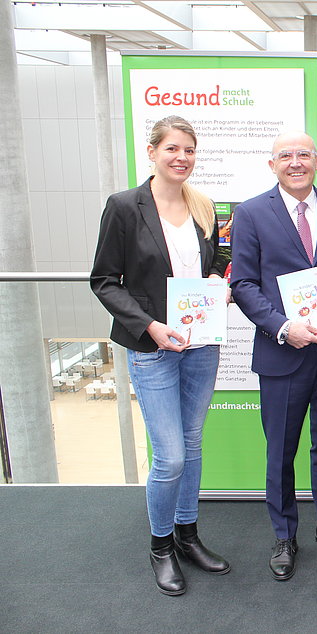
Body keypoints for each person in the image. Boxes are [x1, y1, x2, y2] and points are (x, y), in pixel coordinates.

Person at [90, 115, 230, 596]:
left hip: (200, 346)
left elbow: (215, 260)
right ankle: (161, 546)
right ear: (152, 152)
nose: (181, 158)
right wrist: (150, 325)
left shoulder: (203, 205)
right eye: (172, 148)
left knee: (191, 447)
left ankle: (189, 536)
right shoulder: (125, 207)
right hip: (153, 348)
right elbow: (105, 281)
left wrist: (218, 279)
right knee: (169, 456)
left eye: (189, 149)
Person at [230, 131, 317, 581]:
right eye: (285, 155)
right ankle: (284, 535)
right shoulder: (250, 213)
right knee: (281, 451)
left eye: (303, 154)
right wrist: (284, 327)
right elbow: (243, 284)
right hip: (283, 353)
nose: (295, 162)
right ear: (272, 164)